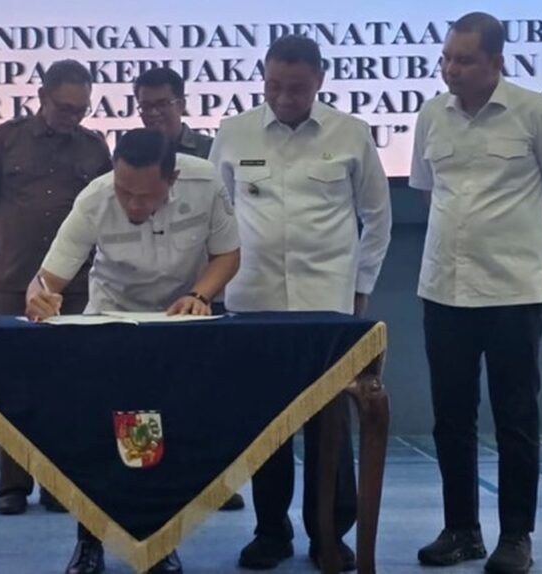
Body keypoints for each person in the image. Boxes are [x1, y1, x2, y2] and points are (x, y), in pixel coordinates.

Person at [410, 12, 542, 574]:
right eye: (446, 58)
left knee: (515, 418)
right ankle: (461, 530)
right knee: (450, 417)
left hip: (513, 291)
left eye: (464, 60)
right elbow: (428, 192)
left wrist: (534, 246)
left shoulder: (536, 112)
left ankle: (516, 537)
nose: (451, 69)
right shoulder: (431, 115)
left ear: (495, 62)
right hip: (443, 288)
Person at [209, 34, 392, 571]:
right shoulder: (234, 132)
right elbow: (215, 214)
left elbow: (377, 217)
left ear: (319, 81)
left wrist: (360, 287)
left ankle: (330, 534)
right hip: (253, 300)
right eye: (274, 86)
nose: (284, 97)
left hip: (326, 302)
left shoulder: (351, 133)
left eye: (296, 88)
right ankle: (271, 532)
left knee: (328, 423)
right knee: (266, 424)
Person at [26, 128, 240, 574]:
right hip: (112, 321)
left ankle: (161, 542)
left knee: (167, 439)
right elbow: (47, 279)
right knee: (100, 438)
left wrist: (200, 295)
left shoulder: (205, 183)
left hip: (178, 322)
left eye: (146, 196)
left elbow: (227, 255)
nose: (134, 205)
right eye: (125, 192)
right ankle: (89, 542)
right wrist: (38, 297)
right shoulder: (95, 198)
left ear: (173, 178)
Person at [0, 59, 112, 516]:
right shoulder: (4, 139)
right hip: (12, 281)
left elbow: (106, 209)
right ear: (42, 97)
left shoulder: (94, 146)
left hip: (76, 285)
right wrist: (6, 250)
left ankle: (59, 483)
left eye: (81, 109)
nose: (73, 117)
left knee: (70, 385)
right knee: (12, 382)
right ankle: (13, 484)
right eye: (65, 108)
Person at [132, 65, 245, 512]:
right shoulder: (130, 152)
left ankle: (215, 483)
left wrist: (206, 290)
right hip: (141, 295)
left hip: (201, 291)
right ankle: (152, 481)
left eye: (162, 104)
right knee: (147, 396)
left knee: (205, 395)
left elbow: (227, 226)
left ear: (182, 103)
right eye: (145, 106)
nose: (153, 113)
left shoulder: (210, 152)